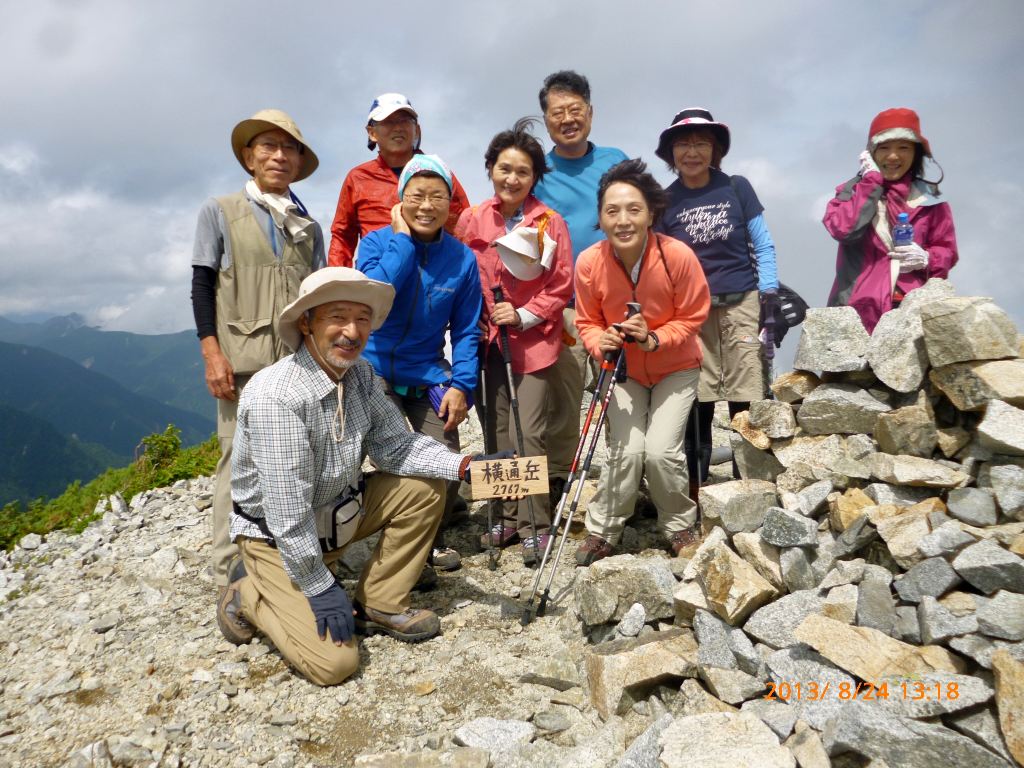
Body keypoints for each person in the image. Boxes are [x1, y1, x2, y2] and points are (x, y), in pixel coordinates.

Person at [216, 268, 512, 686]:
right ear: (307, 323)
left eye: (362, 319)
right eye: (337, 317)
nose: (351, 331)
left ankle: (380, 602)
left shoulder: (360, 378)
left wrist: (465, 467)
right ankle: (248, 592)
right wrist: (319, 585)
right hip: (279, 541)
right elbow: (286, 514)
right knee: (334, 665)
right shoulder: (276, 397)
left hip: (336, 517)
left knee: (424, 488)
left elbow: (397, 446)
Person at [190, 110, 325, 597]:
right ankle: (231, 570)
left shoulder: (308, 224)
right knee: (236, 457)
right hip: (241, 363)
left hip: (296, 365)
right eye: (268, 147)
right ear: (249, 156)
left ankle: (293, 554)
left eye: (289, 149)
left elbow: (318, 298)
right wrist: (212, 353)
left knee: (297, 458)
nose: (278, 156)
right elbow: (202, 284)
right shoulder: (220, 210)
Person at [574, 159, 710, 565]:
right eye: (612, 210)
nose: (623, 220)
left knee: (661, 452)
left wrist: (655, 339)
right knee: (627, 451)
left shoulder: (677, 256)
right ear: (600, 216)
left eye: (634, 209)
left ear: (652, 213)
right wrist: (604, 342)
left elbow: (693, 315)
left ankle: (678, 524)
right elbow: (586, 323)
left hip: (676, 367)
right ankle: (604, 530)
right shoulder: (589, 262)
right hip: (623, 372)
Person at [454, 119, 574, 564]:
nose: (512, 179)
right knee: (495, 431)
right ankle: (502, 516)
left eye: (523, 172)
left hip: (534, 342)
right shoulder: (473, 219)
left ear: (534, 178)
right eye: (505, 168)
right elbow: (463, 273)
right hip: (485, 342)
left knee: (530, 433)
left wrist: (521, 314)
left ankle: (535, 524)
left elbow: (560, 285)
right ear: (490, 169)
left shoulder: (549, 223)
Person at [356, 155, 483, 574]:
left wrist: (462, 386)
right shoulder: (376, 243)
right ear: (400, 200)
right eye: (417, 196)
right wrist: (402, 240)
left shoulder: (462, 259)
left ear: (450, 204)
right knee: (390, 458)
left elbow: (466, 330)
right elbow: (378, 294)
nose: (427, 206)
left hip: (428, 370)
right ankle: (390, 543)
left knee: (445, 456)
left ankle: (431, 542)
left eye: (437, 197)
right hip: (371, 371)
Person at [653, 108, 779, 491]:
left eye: (701, 143)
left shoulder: (737, 187)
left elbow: (762, 242)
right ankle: (696, 483)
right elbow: (658, 260)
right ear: (671, 153)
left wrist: (769, 295)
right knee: (698, 394)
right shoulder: (664, 200)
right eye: (684, 144)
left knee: (747, 390)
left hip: (742, 301)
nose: (693, 152)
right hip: (691, 310)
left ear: (716, 149)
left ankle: (750, 480)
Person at [532, 71, 629, 503]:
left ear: (590, 113)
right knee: (565, 396)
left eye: (576, 110)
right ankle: (557, 481)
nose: (568, 119)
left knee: (623, 396)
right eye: (558, 113)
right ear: (546, 119)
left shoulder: (616, 160)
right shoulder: (538, 171)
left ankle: (629, 481)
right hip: (564, 304)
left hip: (618, 301)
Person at [824, 108, 957, 332]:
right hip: (856, 310)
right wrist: (870, 184)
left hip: (914, 309)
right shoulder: (851, 192)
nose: (893, 156)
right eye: (884, 148)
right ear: (871, 154)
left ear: (916, 154)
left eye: (903, 148)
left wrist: (927, 259)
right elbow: (843, 230)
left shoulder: (931, 199)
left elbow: (948, 252)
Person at [328, 93, 471, 268]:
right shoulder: (357, 178)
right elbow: (342, 236)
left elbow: (463, 229)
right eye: (388, 122)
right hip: (377, 276)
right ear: (372, 133)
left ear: (416, 130)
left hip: (432, 278)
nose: (398, 128)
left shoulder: (440, 174)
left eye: (405, 121)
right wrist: (336, 284)